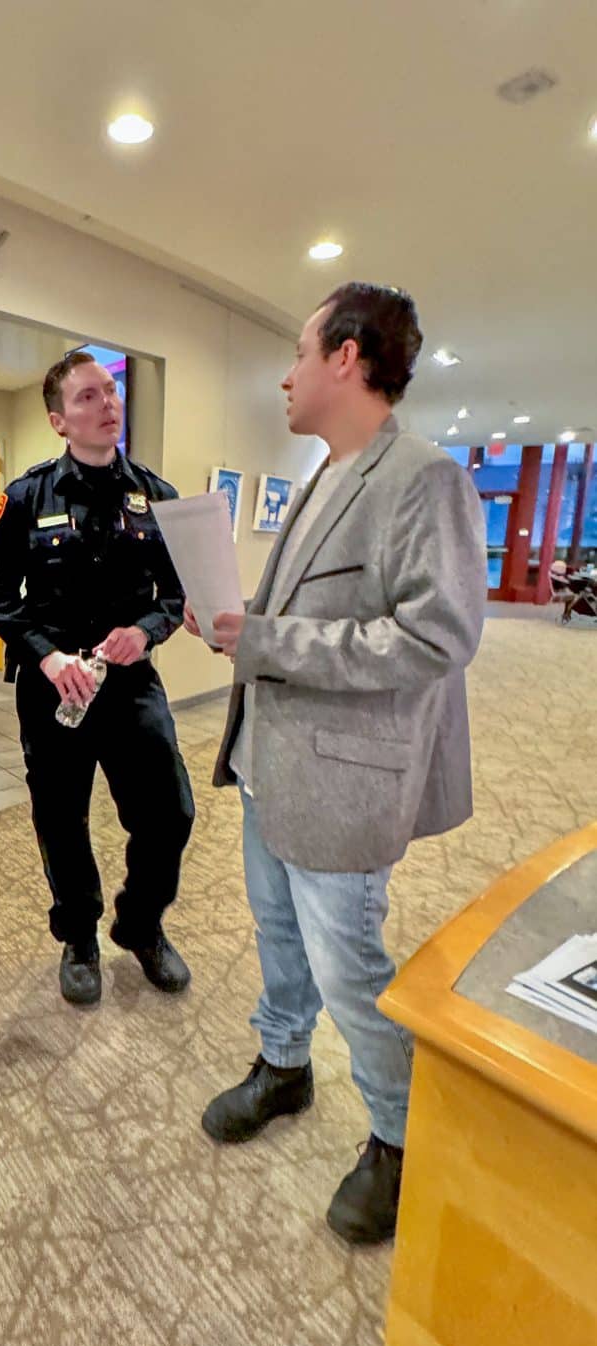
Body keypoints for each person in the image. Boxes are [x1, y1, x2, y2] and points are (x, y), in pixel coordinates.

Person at [189, 284, 487, 1244]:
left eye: (300, 351)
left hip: (349, 776)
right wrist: (242, 634)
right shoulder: (326, 474)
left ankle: (400, 1136)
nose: (286, 373)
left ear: (348, 358)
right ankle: (284, 1063)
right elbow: (303, 623)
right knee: (279, 937)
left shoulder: (422, 476)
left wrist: (270, 640)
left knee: (348, 964)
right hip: (276, 760)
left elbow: (437, 637)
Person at [0, 351, 195, 1006]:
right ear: (58, 420)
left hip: (128, 684)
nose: (107, 404)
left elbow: (180, 593)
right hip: (54, 686)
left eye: (110, 392)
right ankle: (79, 936)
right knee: (61, 818)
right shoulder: (25, 497)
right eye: (88, 397)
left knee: (170, 813)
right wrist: (46, 654)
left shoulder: (158, 497)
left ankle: (140, 923)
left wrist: (148, 630)